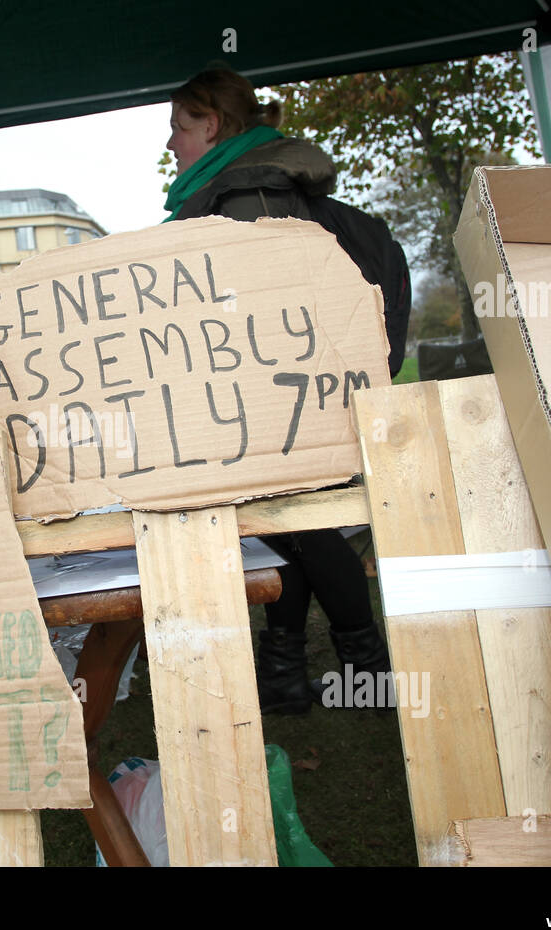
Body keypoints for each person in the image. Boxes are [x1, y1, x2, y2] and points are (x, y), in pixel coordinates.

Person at [164, 67, 399, 715]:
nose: (171, 144)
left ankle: (366, 676)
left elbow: (262, 316)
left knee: (306, 530)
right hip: (294, 397)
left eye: (179, 128)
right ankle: (288, 672)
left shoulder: (247, 196)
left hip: (280, 400)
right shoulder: (258, 186)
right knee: (285, 531)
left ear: (211, 125)